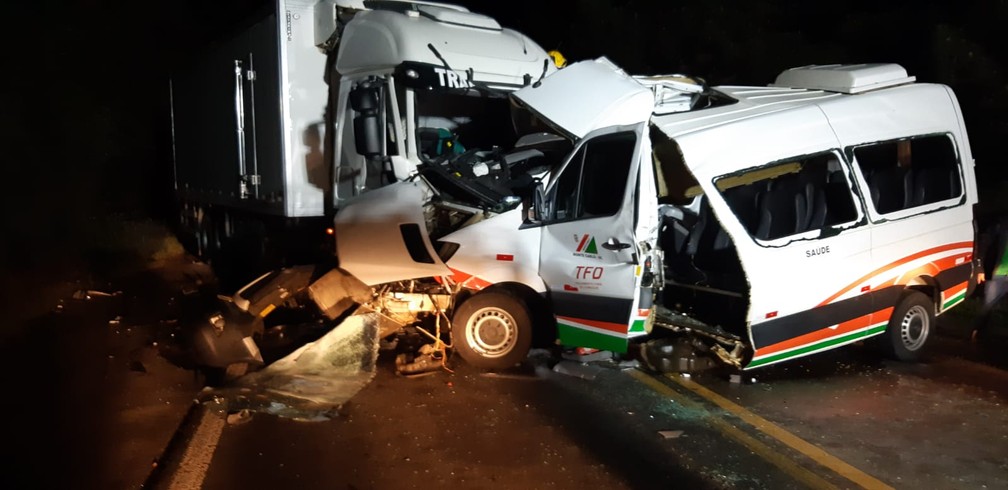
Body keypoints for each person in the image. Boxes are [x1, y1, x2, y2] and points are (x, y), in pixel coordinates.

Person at [974, 218, 1008, 338]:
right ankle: (977, 334)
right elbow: (984, 243)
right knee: (988, 306)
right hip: (997, 273)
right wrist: (980, 267)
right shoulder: (1001, 225)